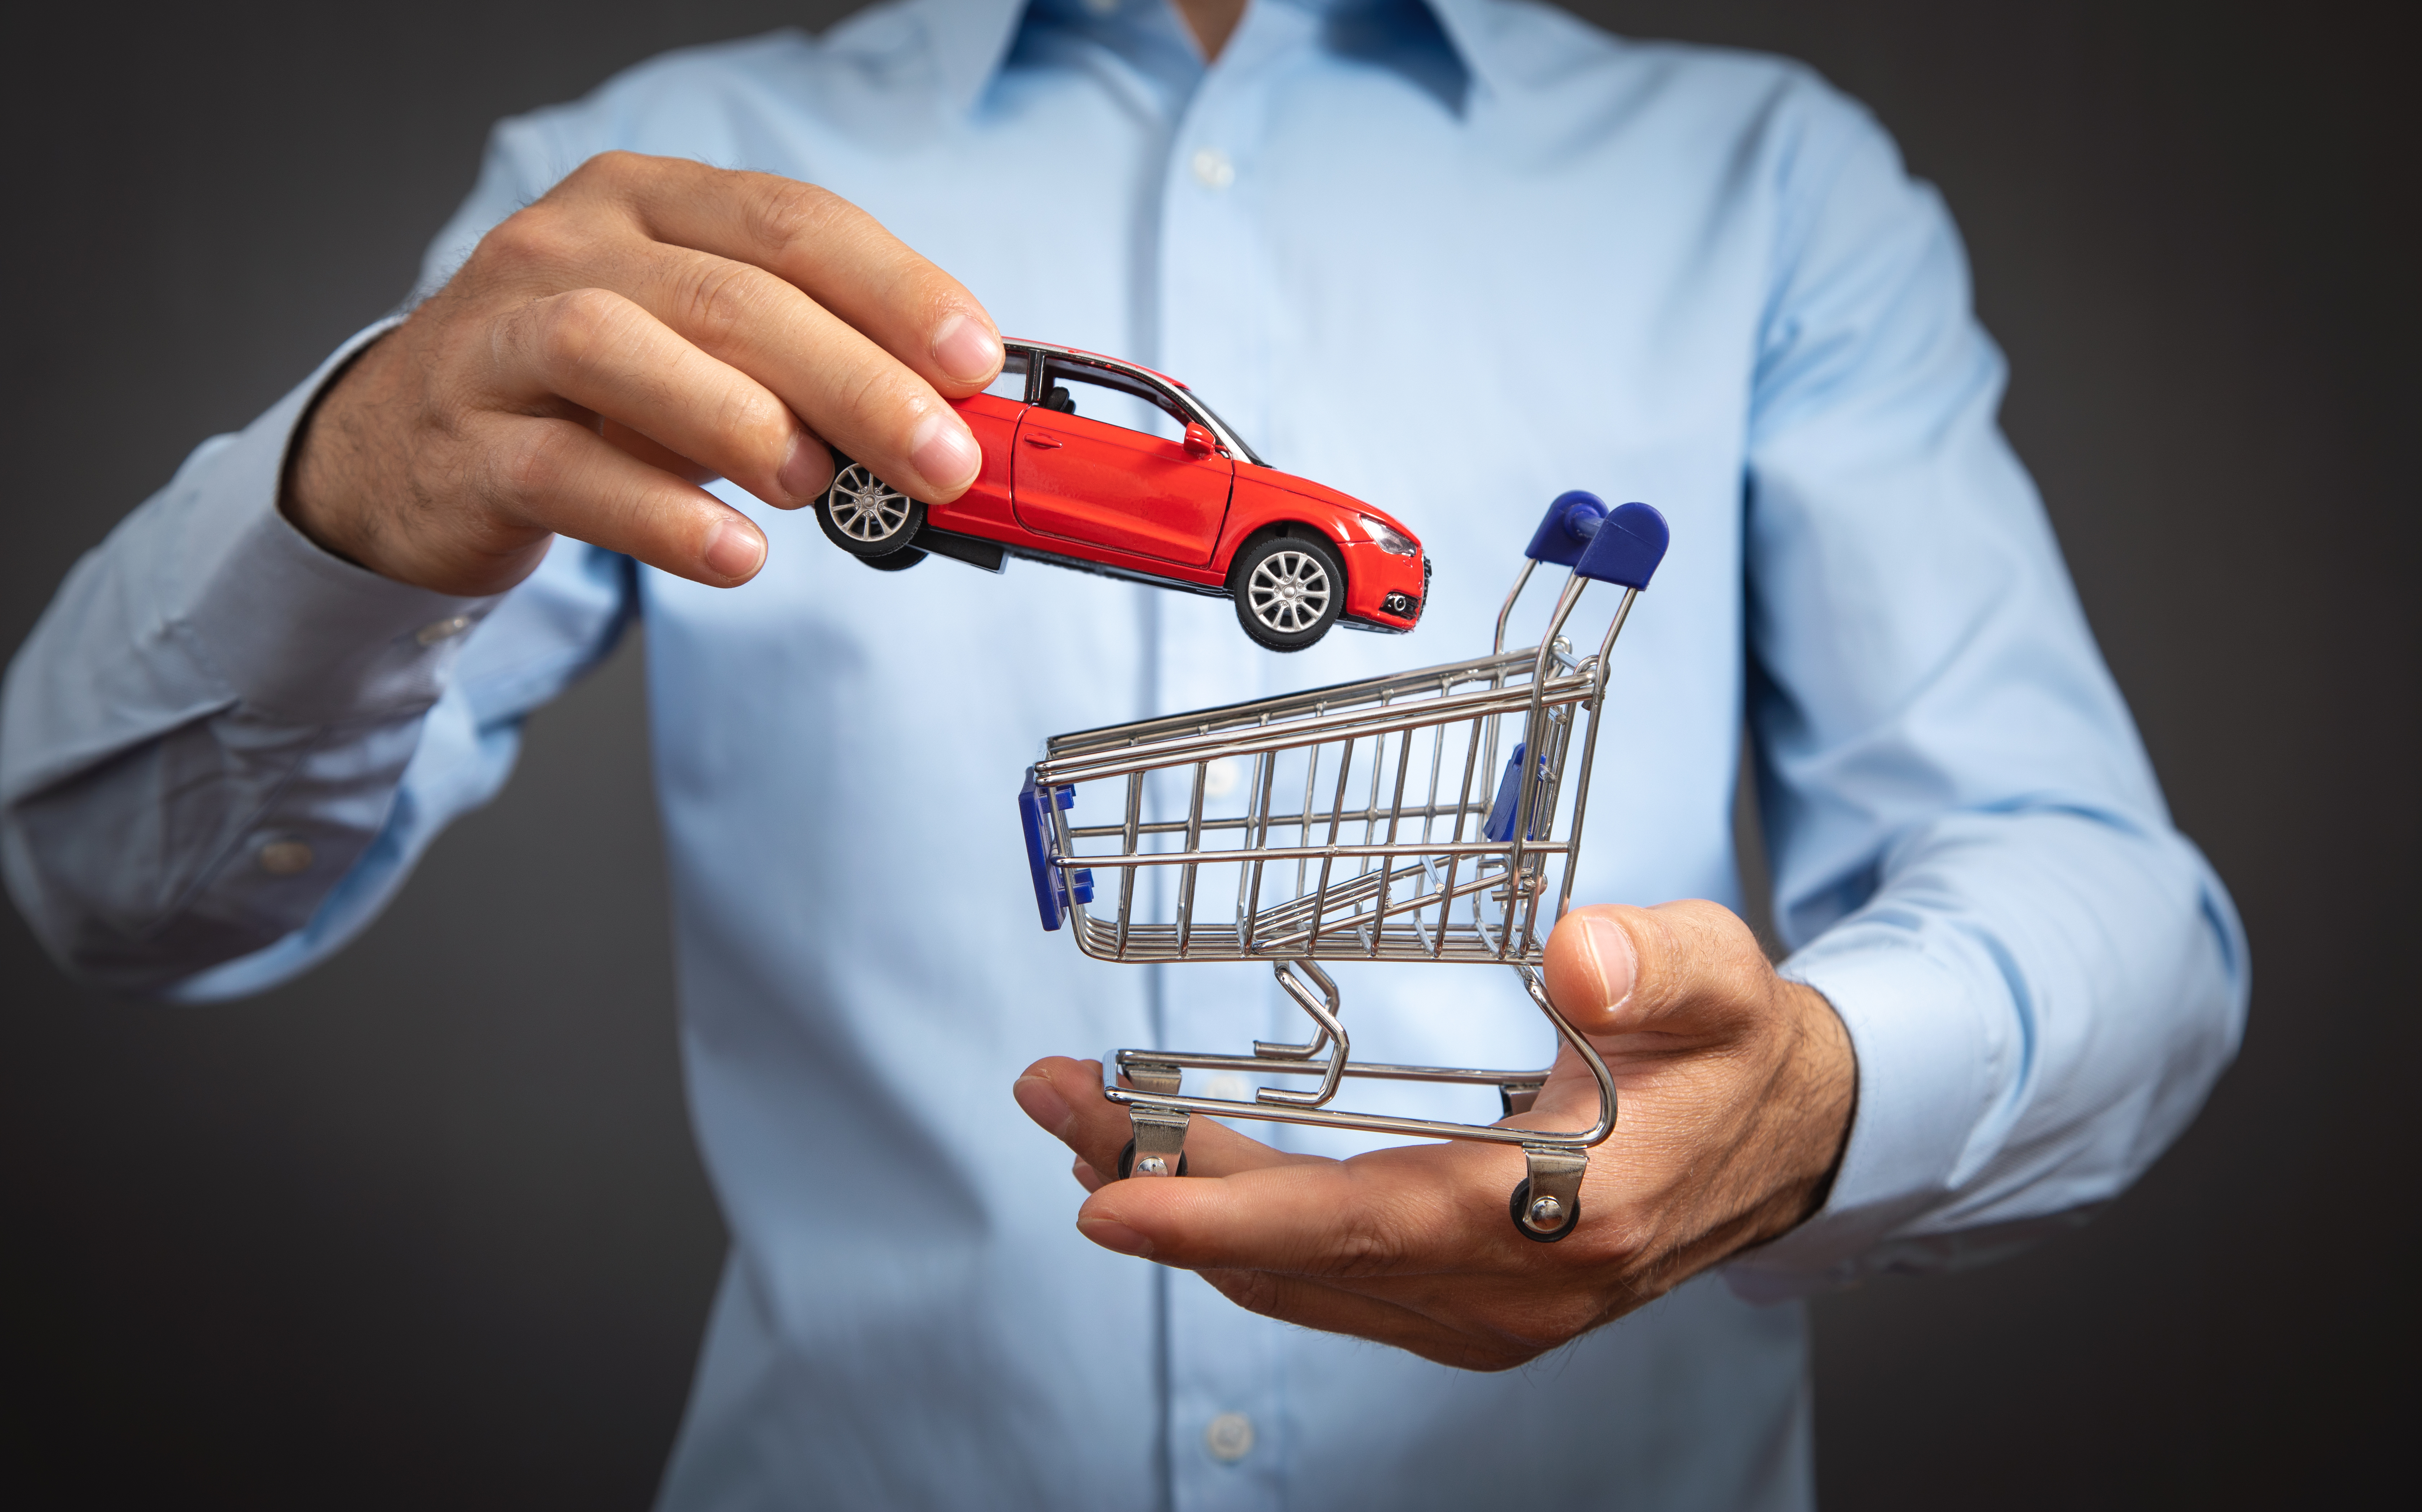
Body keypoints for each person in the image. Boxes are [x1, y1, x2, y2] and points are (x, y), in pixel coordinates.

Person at [0, 0, 2246, 1506]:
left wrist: (1818, 1094)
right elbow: (114, 886)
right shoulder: (643, 195)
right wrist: (338, 507)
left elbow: (2095, 880)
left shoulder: (1763, 181)